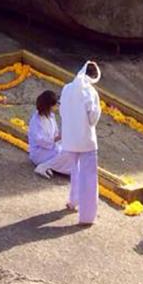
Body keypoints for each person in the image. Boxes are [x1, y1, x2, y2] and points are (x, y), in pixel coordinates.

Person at [59, 61, 102, 225]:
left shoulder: (66, 88)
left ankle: (73, 201)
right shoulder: (90, 91)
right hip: (86, 139)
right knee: (89, 177)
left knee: (75, 172)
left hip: (70, 138)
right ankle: (87, 216)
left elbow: (62, 111)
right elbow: (93, 117)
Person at [28, 90, 72, 179]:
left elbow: (55, 133)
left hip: (52, 147)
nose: (57, 106)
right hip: (40, 152)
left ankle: (50, 166)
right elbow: (40, 140)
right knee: (66, 155)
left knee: (72, 148)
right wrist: (58, 138)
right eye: (56, 104)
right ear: (49, 106)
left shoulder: (51, 116)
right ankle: (43, 167)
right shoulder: (36, 120)